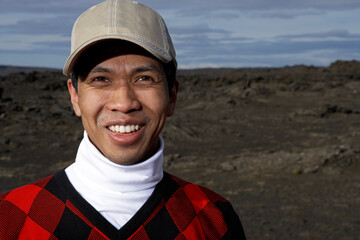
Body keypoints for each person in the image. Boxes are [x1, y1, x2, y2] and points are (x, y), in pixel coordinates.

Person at [0, 0, 246, 239]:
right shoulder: (11, 217)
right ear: (75, 96)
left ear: (172, 95)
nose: (124, 102)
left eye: (144, 78)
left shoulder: (214, 218)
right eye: (100, 79)